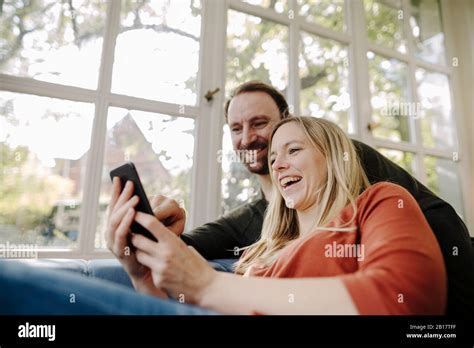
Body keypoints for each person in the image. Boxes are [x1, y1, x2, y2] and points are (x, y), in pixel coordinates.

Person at [0, 116, 447, 314]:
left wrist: (210, 283)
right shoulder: (260, 250)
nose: (278, 163)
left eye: (294, 150)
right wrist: (140, 276)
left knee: (11, 285)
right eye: (274, 157)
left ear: (335, 158)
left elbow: (404, 300)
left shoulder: (379, 202)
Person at [142, 81, 473, 316]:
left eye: (259, 123)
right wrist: (147, 239)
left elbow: (429, 226)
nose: (247, 138)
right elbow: (188, 254)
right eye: (236, 128)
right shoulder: (255, 223)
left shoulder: (366, 182)